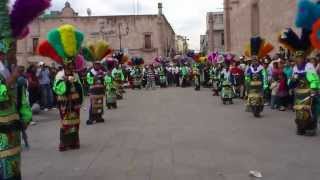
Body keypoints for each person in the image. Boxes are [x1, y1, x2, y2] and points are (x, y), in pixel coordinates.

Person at [290, 51, 320, 136]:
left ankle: (312, 127)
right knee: (298, 108)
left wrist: (313, 89)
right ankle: (300, 126)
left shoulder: (309, 66)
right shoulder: (295, 67)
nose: (299, 59)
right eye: (298, 57)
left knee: (312, 107)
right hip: (299, 92)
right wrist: (291, 85)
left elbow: (314, 79)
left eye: (301, 57)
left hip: (309, 90)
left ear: (304, 58)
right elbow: (292, 79)